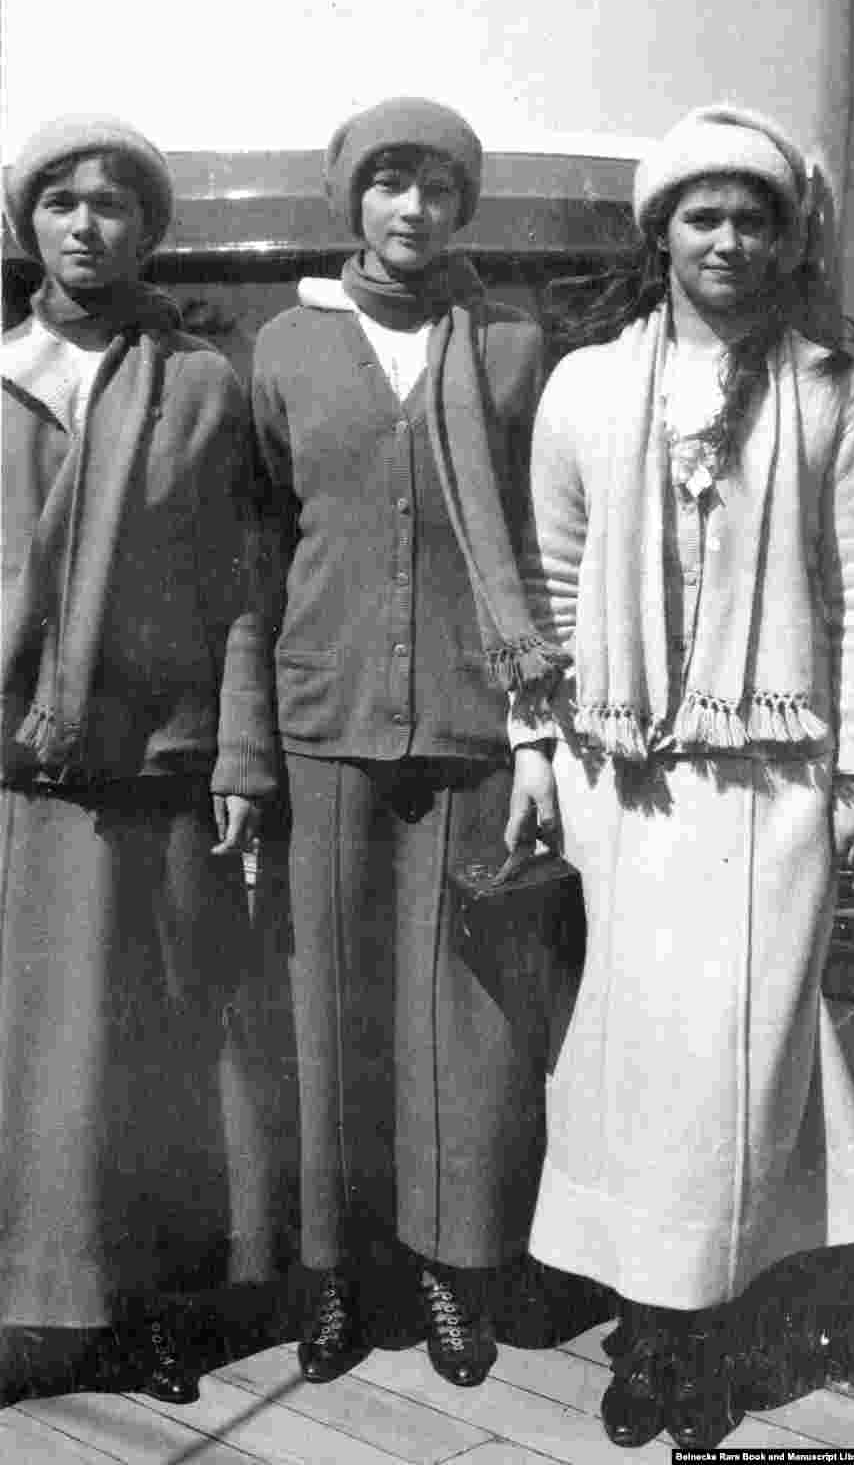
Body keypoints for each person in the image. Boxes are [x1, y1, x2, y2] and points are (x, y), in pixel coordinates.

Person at [505, 104, 854, 1449]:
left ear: (784, 235)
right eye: (703, 216)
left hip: (773, 788)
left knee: (741, 1078)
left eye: (752, 217)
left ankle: (711, 1344)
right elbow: (555, 587)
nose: (727, 240)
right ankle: (655, 1335)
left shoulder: (825, 389)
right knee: (638, 1067)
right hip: (625, 780)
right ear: (660, 234)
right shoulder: (588, 388)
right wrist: (547, 749)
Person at [251, 97, 557, 1389]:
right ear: (351, 202)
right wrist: (242, 749)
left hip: (472, 728)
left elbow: (541, 553)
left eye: (437, 186)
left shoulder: (510, 349)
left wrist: (539, 731)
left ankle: (451, 1268)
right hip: (324, 721)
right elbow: (263, 555)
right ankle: (328, 1276)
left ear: (462, 207)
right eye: (388, 183)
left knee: (461, 1020)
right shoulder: (283, 350)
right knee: (325, 1013)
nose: (413, 209)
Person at [1, 116, 277, 1403]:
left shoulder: (205, 386)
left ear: (148, 230)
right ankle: (22, 1312)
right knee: (24, 1053)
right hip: (18, 769)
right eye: (61, 201)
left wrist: (239, 754)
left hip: (156, 763)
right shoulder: (1, 372)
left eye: (114, 204)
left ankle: (154, 1312)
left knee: (158, 1052)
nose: (85, 224)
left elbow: (236, 591)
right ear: (29, 226)